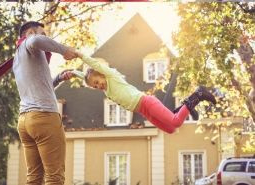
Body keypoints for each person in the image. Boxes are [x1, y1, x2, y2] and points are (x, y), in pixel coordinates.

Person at [77, 53, 216, 134]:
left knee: (176, 122)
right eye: (94, 86)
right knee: (170, 129)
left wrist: (79, 55)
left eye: (96, 81)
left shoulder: (112, 76)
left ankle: (198, 94)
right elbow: (86, 77)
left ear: (101, 74)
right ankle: (184, 108)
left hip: (146, 102)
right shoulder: (107, 91)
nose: (97, 86)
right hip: (144, 111)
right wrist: (72, 73)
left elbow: (95, 65)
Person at [12, 21, 78, 185]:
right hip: (44, 117)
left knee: (34, 177)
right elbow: (36, 40)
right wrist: (64, 50)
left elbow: (42, 85)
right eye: (43, 34)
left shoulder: (19, 58)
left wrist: (60, 78)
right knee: (54, 177)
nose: (45, 38)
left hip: (25, 122)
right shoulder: (30, 43)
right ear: (29, 34)